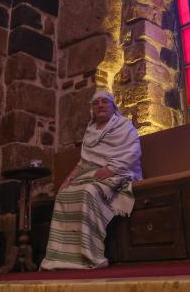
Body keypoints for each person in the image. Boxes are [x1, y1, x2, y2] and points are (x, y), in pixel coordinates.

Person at [40, 90, 142, 270]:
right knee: (63, 195)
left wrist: (111, 169)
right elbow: (84, 162)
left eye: (105, 102)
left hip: (119, 172)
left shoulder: (124, 126)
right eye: (96, 103)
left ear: (113, 106)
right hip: (91, 174)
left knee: (88, 191)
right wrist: (69, 178)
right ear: (92, 110)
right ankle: (60, 258)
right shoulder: (90, 131)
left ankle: (90, 255)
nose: (100, 105)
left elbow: (133, 152)